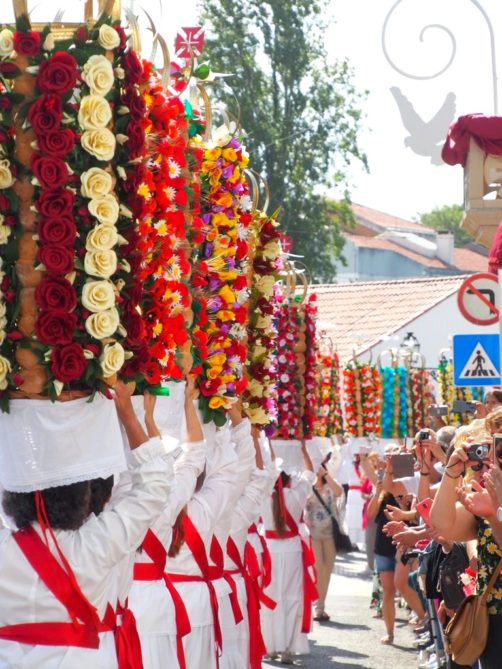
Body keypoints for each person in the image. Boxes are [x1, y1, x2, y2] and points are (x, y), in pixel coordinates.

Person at [0, 384, 174, 668]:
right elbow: (155, 485)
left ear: (12, 490)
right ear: (80, 495)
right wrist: (128, 414)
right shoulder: (94, 545)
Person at [430, 433, 502, 669]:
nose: (487, 467)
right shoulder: (485, 499)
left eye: (497, 455)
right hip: (493, 617)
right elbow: (443, 524)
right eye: (480, 461)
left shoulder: (491, 504)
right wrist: (451, 473)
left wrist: (496, 513)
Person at [261, 441, 316, 664]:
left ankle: (270, 647)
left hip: (270, 550)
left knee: (271, 597)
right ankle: (287, 649)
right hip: (292, 549)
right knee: (291, 598)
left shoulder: (264, 496)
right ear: (288, 480)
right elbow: (310, 474)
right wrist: (303, 449)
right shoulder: (297, 494)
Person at [305, 457, 343, 622]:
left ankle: (320, 607)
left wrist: (326, 475)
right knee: (318, 568)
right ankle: (315, 605)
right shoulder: (307, 486)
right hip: (313, 534)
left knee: (327, 570)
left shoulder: (330, 486)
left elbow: (339, 492)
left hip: (330, 534)